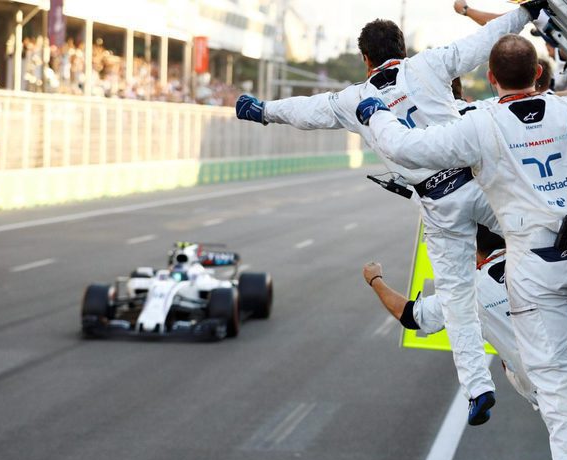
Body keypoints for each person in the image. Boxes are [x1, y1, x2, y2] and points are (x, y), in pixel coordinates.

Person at [235, 3, 548, 426]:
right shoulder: (429, 64)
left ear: (365, 60)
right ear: (402, 47)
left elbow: (306, 111)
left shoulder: (353, 99)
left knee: (457, 299)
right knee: (538, 231)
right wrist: (527, 10)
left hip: (438, 206)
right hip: (476, 183)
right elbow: (484, 41)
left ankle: (478, 389)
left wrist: (263, 112)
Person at [357, 33, 567, 460]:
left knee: (557, 379)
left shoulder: (479, 124)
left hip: (537, 268)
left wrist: (375, 111)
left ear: (492, 79)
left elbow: (406, 145)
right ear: (540, 75)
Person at [362, 225, 565, 408]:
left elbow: (408, 315)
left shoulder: (469, 289)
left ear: (473, 247)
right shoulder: (546, 261)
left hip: (546, 392)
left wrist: (374, 279)